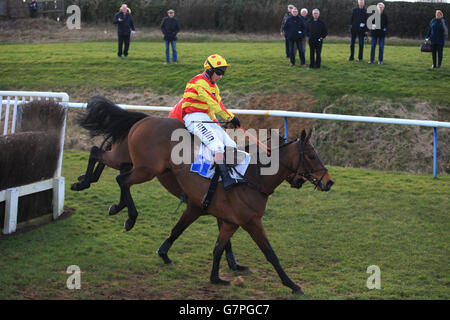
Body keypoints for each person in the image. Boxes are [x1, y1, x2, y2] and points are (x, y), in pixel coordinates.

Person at [168, 54, 245, 190]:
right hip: (193, 118)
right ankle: (225, 180)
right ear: (209, 70)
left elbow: (214, 107)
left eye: (223, 73)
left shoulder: (214, 86)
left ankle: (230, 175)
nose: (221, 76)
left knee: (231, 144)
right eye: (219, 72)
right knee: (217, 146)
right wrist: (230, 117)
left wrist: (218, 122)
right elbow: (213, 103)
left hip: (206, 119)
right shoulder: (199, 82)